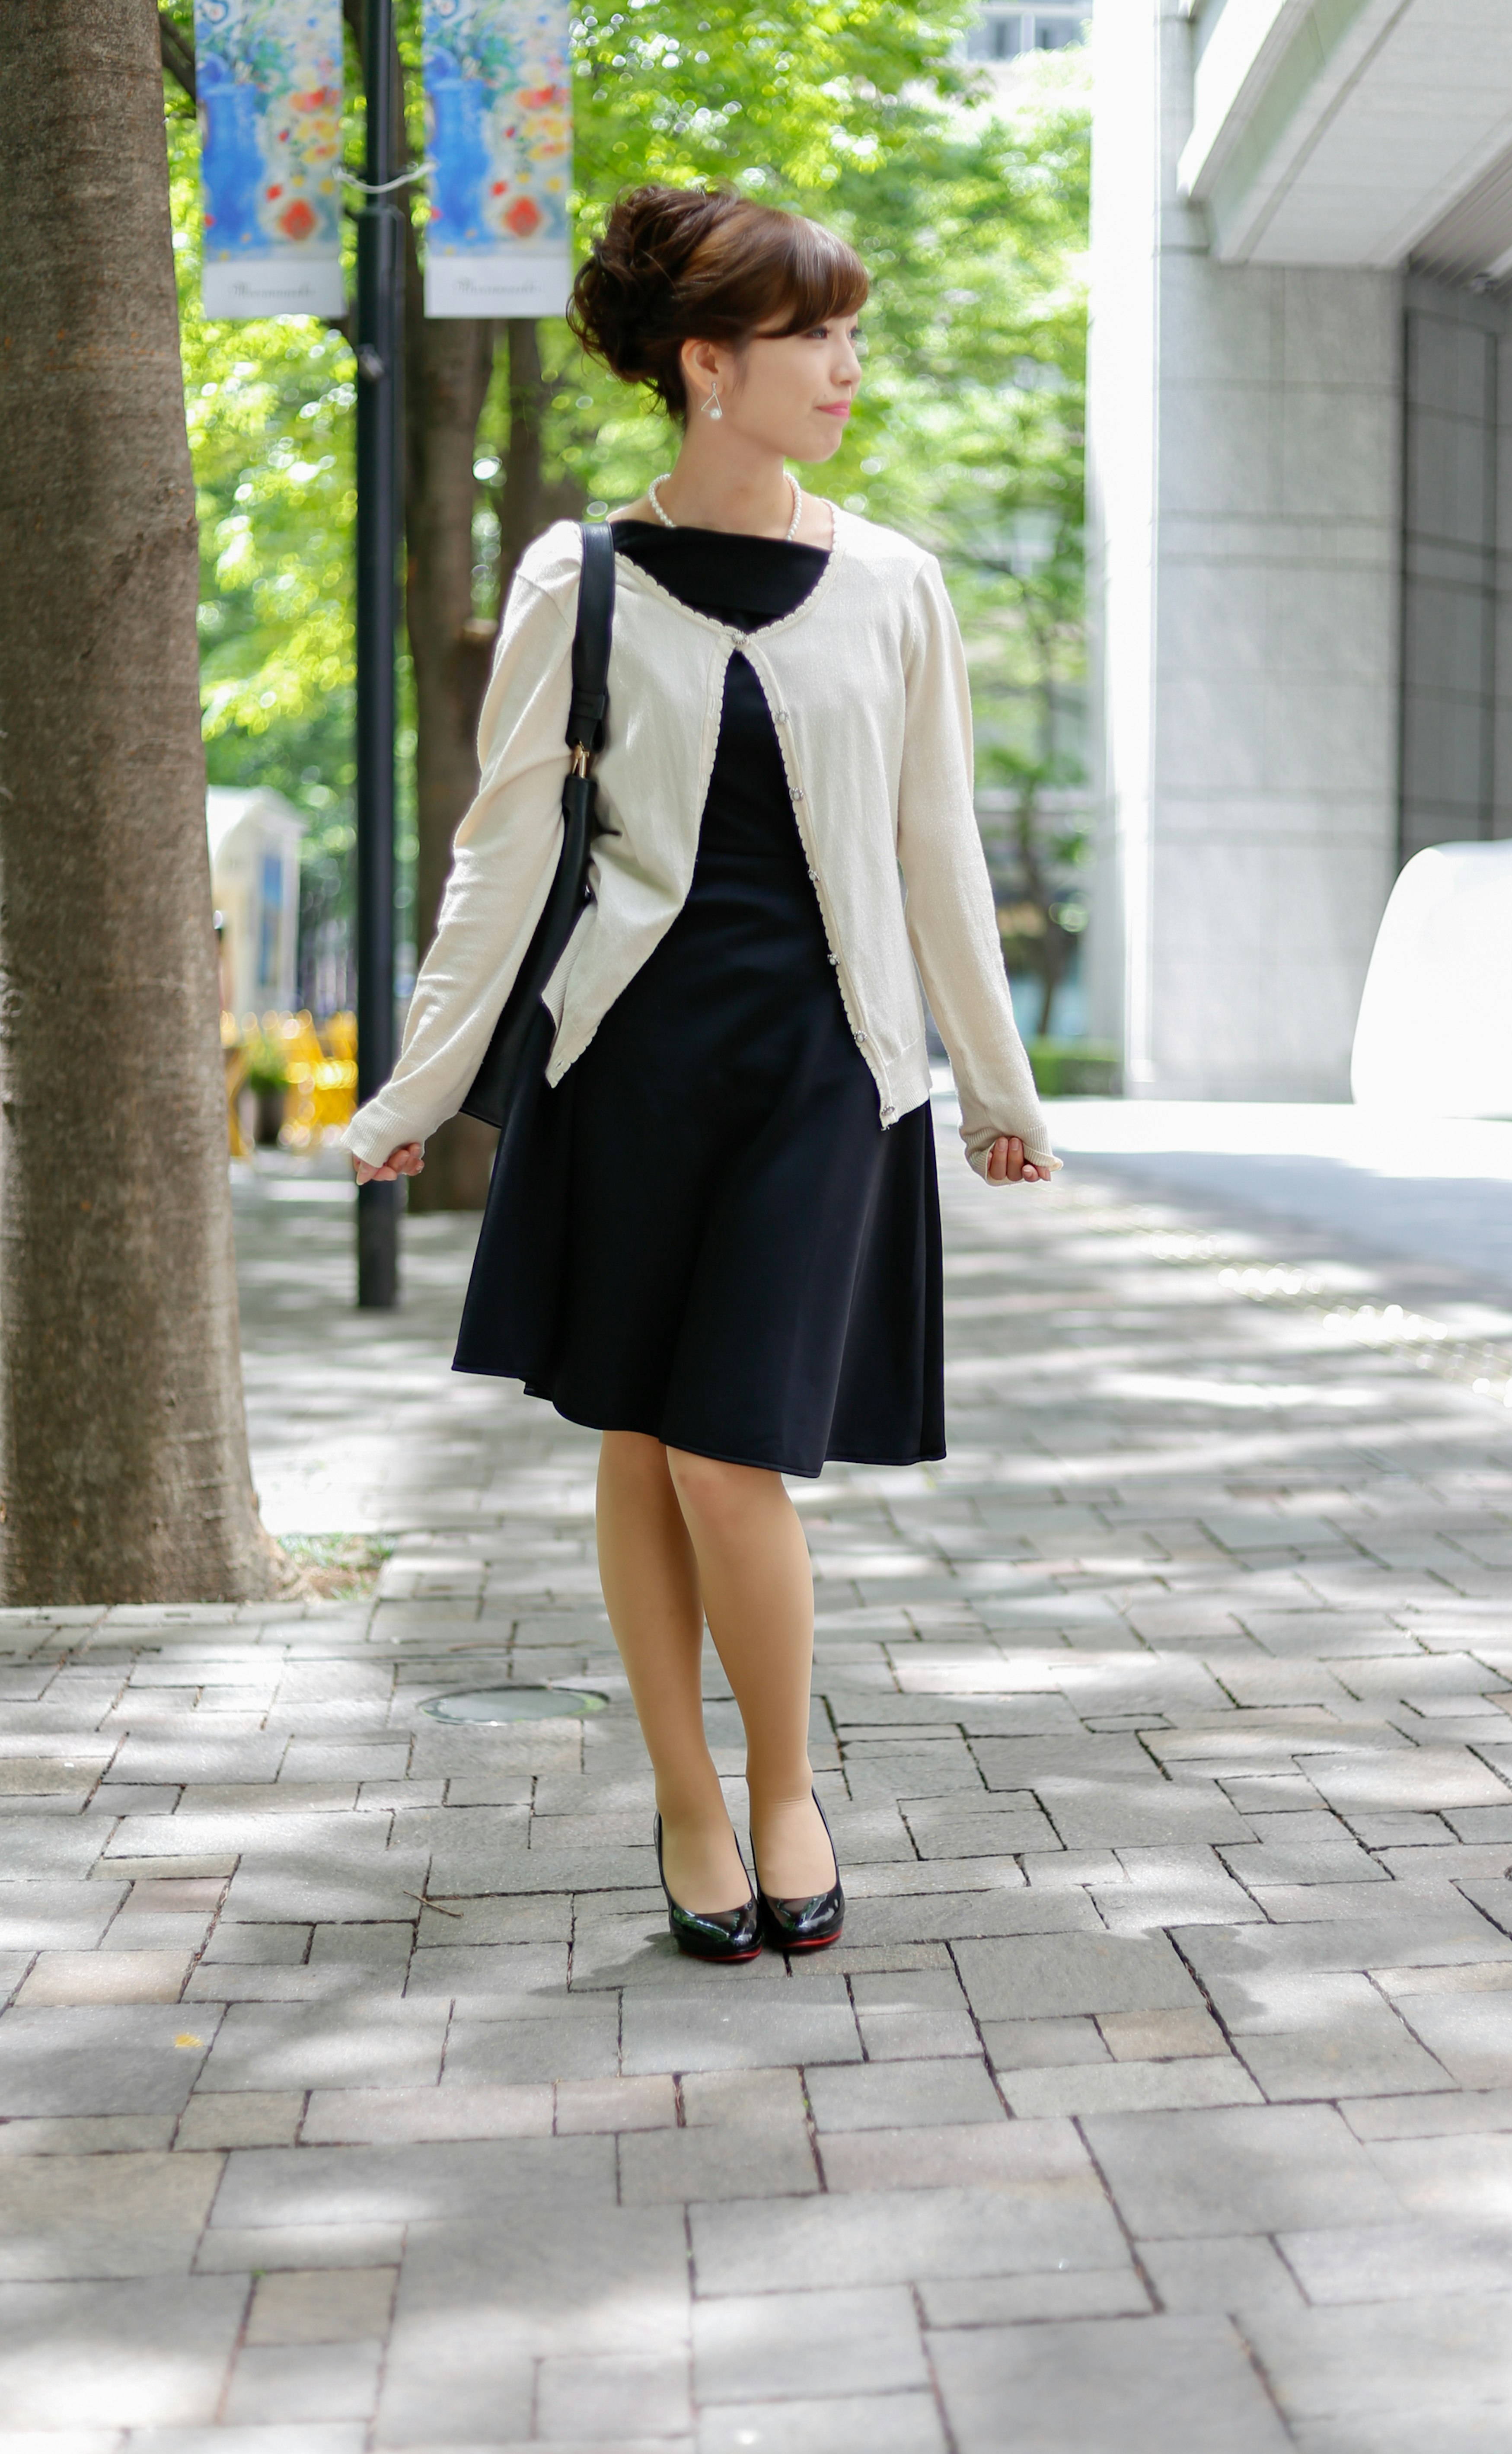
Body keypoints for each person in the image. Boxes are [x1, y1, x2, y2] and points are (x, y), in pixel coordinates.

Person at [346, 185, 1057, 1965]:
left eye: (848, 330)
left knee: (732, 1448)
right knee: (644, 1438)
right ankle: (685, 1804)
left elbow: (933, 851)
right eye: (812, 337)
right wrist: (414, 1094)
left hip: (827, 1071)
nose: (846, 366)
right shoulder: (574, 577)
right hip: (635, 1058)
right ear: (707, 365)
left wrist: (997, 1086)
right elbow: (503, 857)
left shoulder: (894, 582)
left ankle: (786, 1782)